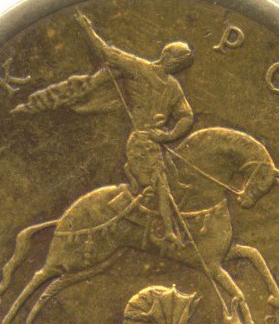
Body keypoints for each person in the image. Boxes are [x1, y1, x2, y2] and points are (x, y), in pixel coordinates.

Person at [20, 13, 195, 245]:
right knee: (161, 184)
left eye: (183, 64)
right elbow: (106, 53)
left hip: (155, 142)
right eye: (180, 60)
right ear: (167, 56)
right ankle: (168, 232)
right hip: (141, 142)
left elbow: (187, 116)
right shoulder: (138, 68)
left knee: (174, 182)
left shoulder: (173, 86)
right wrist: (88, 28)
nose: (180, 66)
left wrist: (168, 135)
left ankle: (144, 210)